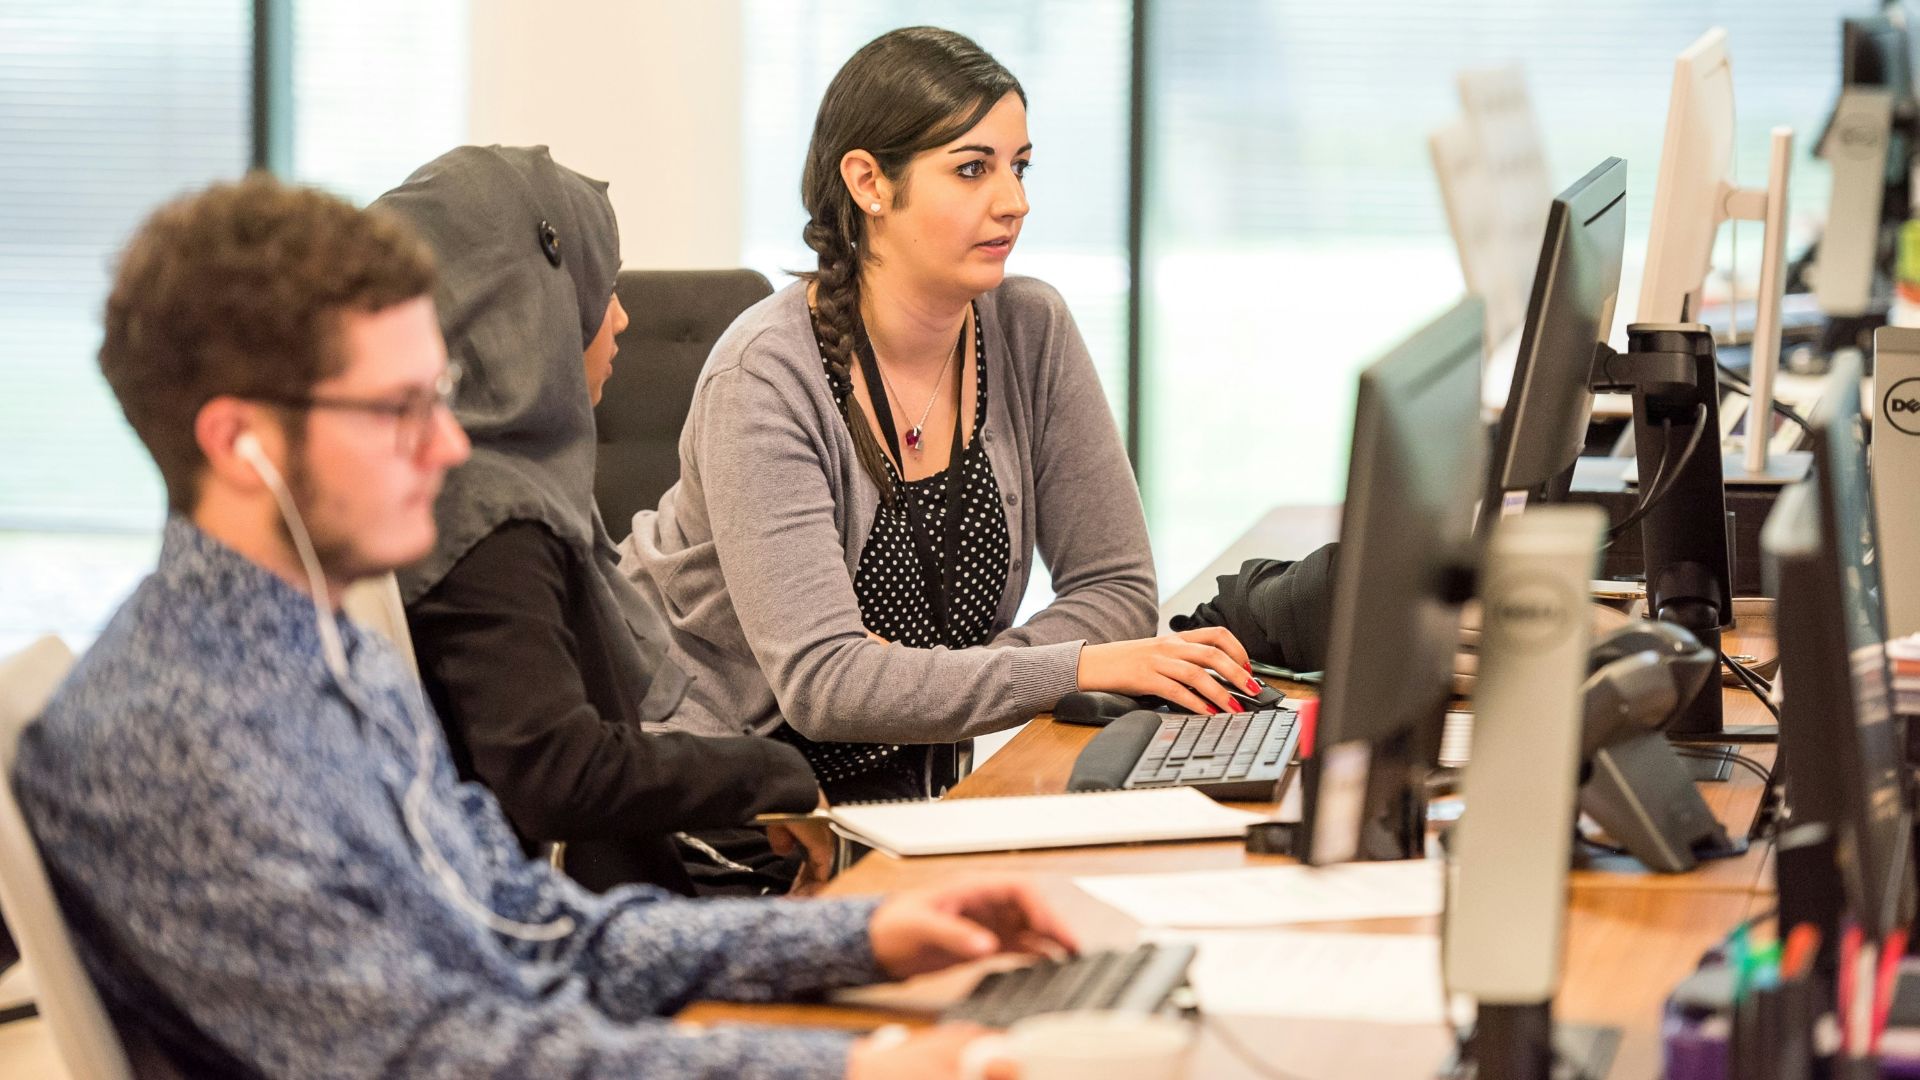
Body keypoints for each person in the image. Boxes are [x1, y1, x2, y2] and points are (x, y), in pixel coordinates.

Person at [13, 173, 1070, 1078]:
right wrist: (845, 1065)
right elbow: (450, 1058)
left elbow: (532, 925)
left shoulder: (320, 655)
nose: (444, 447)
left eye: (442, 396)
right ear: (240, 442)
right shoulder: (183, 733)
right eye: (397, 410)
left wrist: (862, 936)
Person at [621, 26, 1257, 801]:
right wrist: (1073, 665)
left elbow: (1118, 590)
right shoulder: (766, 376)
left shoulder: (1029, 329)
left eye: (1019, 167)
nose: (1014, 202)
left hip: (915, 792)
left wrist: (924, 679)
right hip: (733, 806)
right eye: (972, 169)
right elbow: (826, 685)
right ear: (869, 183)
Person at [377, 145, 830, 895]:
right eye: (602, 287)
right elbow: (555, 772)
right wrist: (769, 774)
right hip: (576, 931)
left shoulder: (473, 486)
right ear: (527, 305)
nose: (620, 317)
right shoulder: (490, 518)